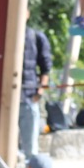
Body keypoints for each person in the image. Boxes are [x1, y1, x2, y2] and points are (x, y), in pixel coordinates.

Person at [22, 14, 53, 158]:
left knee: (30, 146)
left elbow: (45, 66)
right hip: (7, 99)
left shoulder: (36, 37)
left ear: (28, 13)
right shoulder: (2, 36)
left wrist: (40, 91)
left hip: (29, 96)